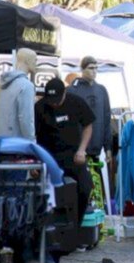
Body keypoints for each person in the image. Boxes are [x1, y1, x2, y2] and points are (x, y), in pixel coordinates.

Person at [35, 78, 95, 224]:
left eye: (57, 100)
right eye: (51, 100)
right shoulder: (39, 107)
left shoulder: (76, 102)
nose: (54, 104)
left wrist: (82, 150)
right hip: (49, 157)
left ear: (65, 93)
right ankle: (54, 230)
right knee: (51, 195)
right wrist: (35, 160)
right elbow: (32, 136)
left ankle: (76, 226)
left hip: (73, 156)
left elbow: (88, 126)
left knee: (84, 188)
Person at [67, 56, 112, 159]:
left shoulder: (102, 90)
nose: (94, 71)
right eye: (91, 68)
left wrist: (108, 147)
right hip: (77, 150)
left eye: (96, 68)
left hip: (96, 149)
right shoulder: (72, 90)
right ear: (82, 69)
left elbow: (106, 120)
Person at [0, 48, 37, 140]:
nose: (36, 64)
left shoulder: (4, 84)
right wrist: (32, 143)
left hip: (1, 141)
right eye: (35, 60)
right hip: (17, 145)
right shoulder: (26, 86)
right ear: (27, 60)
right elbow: (26, 119)